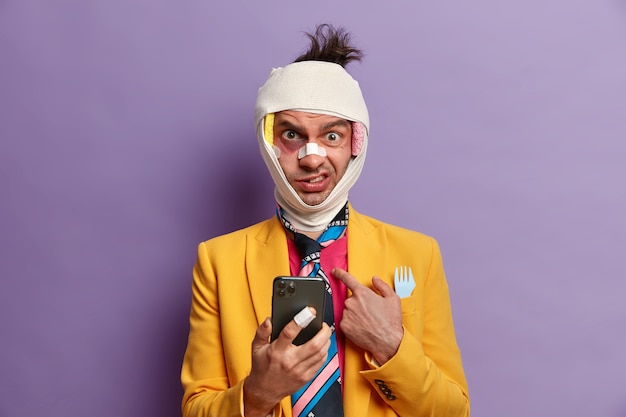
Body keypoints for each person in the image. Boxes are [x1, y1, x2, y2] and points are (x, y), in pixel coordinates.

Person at [181, 24, 470, 417]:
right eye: (292, 135)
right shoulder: (218, 261)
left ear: (356, 142)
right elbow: (196, 407)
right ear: (269, 143)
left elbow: (455, 411)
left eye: (331, 136)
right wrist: (257, 395)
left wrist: (390, 346)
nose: (312, 157)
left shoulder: (418, 254)